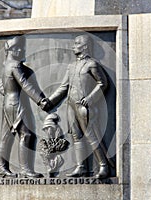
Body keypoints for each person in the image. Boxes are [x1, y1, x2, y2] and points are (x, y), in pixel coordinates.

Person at [42, 35, 110, 178]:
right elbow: (63, 87)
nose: (73, 45)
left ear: (84, 46)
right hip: (71, 105)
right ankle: (81, 167)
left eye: (77, 43)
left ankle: (103, 166)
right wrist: (50, 101)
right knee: (76, 136)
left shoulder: (92, 64)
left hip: (84, 106)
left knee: (91, 136)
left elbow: (103, 83)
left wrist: (90, 99)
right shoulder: (71, 66)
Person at [0, 36, 49, 178]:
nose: (21, 50)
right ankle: (25, 170)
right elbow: (25, 85)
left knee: (7, 136)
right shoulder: (15, 65)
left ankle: (1, 167)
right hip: (17, 104)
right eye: (17, 48)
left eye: (22, 48)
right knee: (26, 134)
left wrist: (10, 93)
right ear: (10, 50)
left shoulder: (6, 66)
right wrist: (40, 100)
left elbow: (1, 88)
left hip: (9, 103)